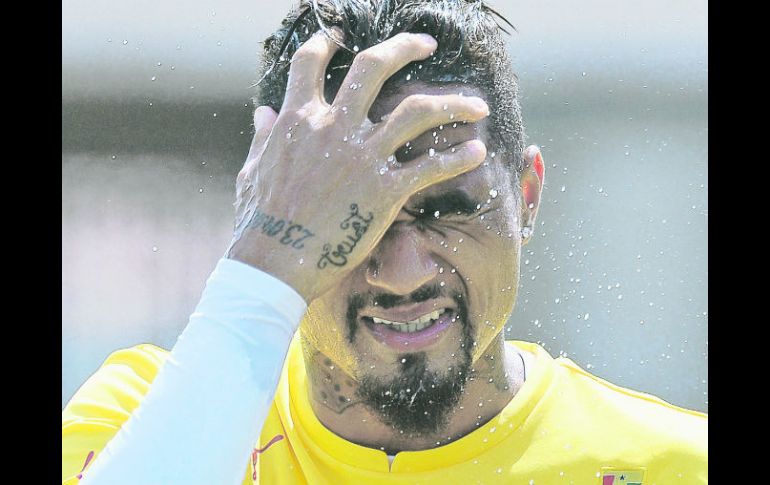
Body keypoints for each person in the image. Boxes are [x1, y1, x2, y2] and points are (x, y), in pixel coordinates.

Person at [62, 1, 708, 484]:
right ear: (266, 207)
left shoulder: (676, 465)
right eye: (352, 215)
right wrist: (261, 271)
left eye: (449, 209)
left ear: (528, 196)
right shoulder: (143, 420)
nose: (402, 273)